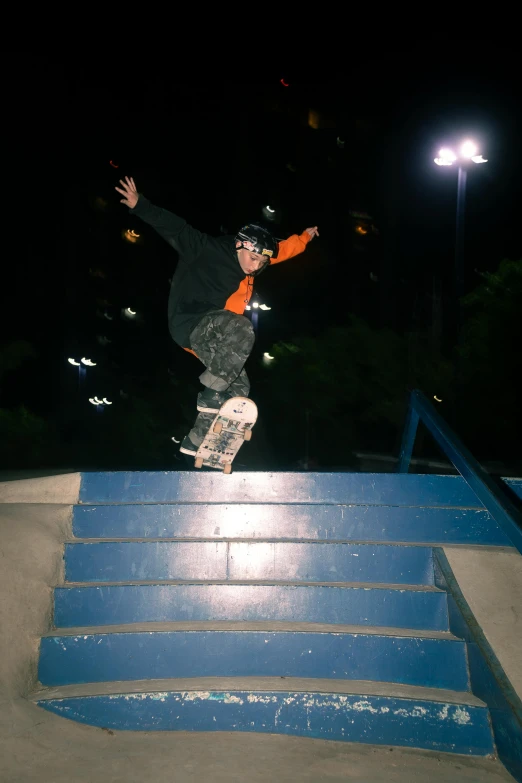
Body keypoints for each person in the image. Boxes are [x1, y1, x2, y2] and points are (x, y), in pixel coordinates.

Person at [115, 176, 319, 456]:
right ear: (240, 246)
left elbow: (281, 250)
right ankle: (210, 396)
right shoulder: (206, 249)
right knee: (243, 329)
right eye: (252, 258)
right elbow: (176, 228)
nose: (255, 266)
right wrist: (141, 205)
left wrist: (305, 238)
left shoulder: (258, 259)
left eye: (260, 263)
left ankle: (197, 443)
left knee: (239, 389)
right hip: (191, 321)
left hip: (213, 337)